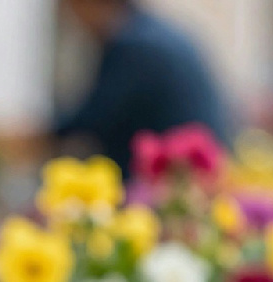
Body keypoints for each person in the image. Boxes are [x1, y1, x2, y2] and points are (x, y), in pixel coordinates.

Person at [53, 0, 231, 174]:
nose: (74, 21)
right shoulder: (150, 31)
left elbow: (94, 117)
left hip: (177, 177)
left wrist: (48, 135)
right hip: (206, 167)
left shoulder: (132, 45)